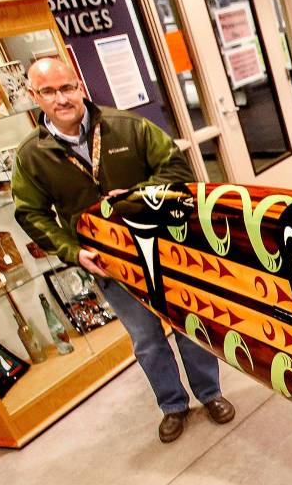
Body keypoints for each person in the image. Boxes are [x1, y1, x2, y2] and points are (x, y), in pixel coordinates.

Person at [12, 57, 235, 443]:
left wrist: (138, 196)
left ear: (80, 85)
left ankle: (210, 394)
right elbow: (30, 214)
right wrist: (73, 252)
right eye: (48, 91)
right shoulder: (31, 155)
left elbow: (177, 171)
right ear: (34, 97)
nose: (60, 98)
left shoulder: (127, 127)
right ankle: (173, 406)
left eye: (66, 87)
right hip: (107, 264)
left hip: (166, 250)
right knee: (147, 340)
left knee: (189, 326)